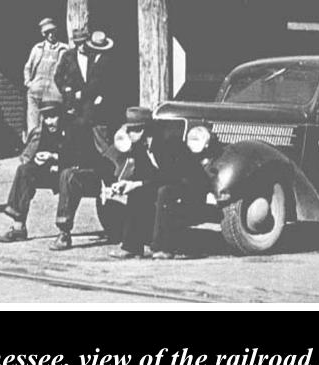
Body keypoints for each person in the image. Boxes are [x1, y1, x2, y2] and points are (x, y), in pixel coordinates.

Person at [50, 29, 120, 250]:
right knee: (78, 136)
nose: (83, 46)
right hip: (77, 106)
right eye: (79, 43)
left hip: (95, 107)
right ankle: (80, 160)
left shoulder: (101, 59)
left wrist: (94, 96)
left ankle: (105, 168)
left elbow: (102, 83)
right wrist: (69, 93)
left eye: (85, 43)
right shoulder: (69, 56)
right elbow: (59, 76)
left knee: (100, 139)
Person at [105, 106, 205, 259]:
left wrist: (139, 184)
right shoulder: (140, 146)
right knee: (137, 192)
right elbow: (143, 174)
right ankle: (131, 246)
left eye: (130, 130)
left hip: (187, 183)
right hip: (164, 180)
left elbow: (172, 175)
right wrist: (127, 183)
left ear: (141, 131)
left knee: (164, 192)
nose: (128, 134)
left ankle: (163, 247)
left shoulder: (167, 140)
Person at [0, 102, 64, 243]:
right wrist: (38, 159)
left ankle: (65, 233)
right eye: (46, 117)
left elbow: (77, 154)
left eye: (53, 117)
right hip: (51, 170)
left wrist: (54, 157)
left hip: (67, 170)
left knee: (68, 176)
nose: (49, 121)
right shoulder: (43, 130)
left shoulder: (72, 127)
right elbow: (35, 153)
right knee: (24, 171)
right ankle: (18, 227)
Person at [23, 17, 68, 146]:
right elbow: (28, 67)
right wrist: (28, 83)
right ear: (44, 34)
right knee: (33, 121)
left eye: (53, 32)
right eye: (48, 33)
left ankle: (52, 148)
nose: (51, 35)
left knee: (53, 121)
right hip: (36, 89)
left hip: (54, 90)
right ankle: (32, 150)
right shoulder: (37, 48)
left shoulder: (63, 49)